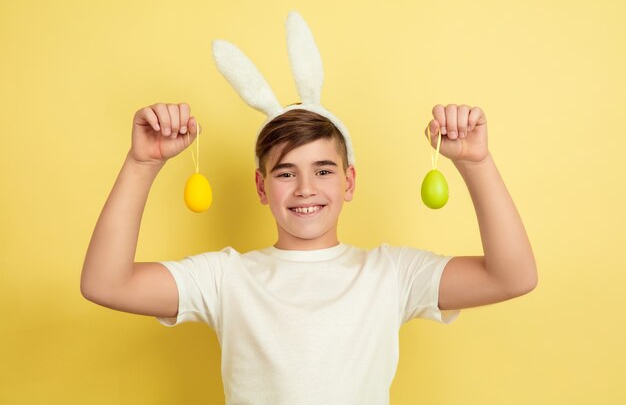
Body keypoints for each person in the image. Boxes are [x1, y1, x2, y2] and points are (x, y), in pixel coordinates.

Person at [81, 101, 537, 404]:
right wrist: (143, 163)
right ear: (261, 187)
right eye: (284, 174)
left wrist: (474, 162)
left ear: (349, 182)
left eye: (323, 170)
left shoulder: (391, 273)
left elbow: (512, 277)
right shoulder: (226, 278)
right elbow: (106, 284)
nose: (305, 189)